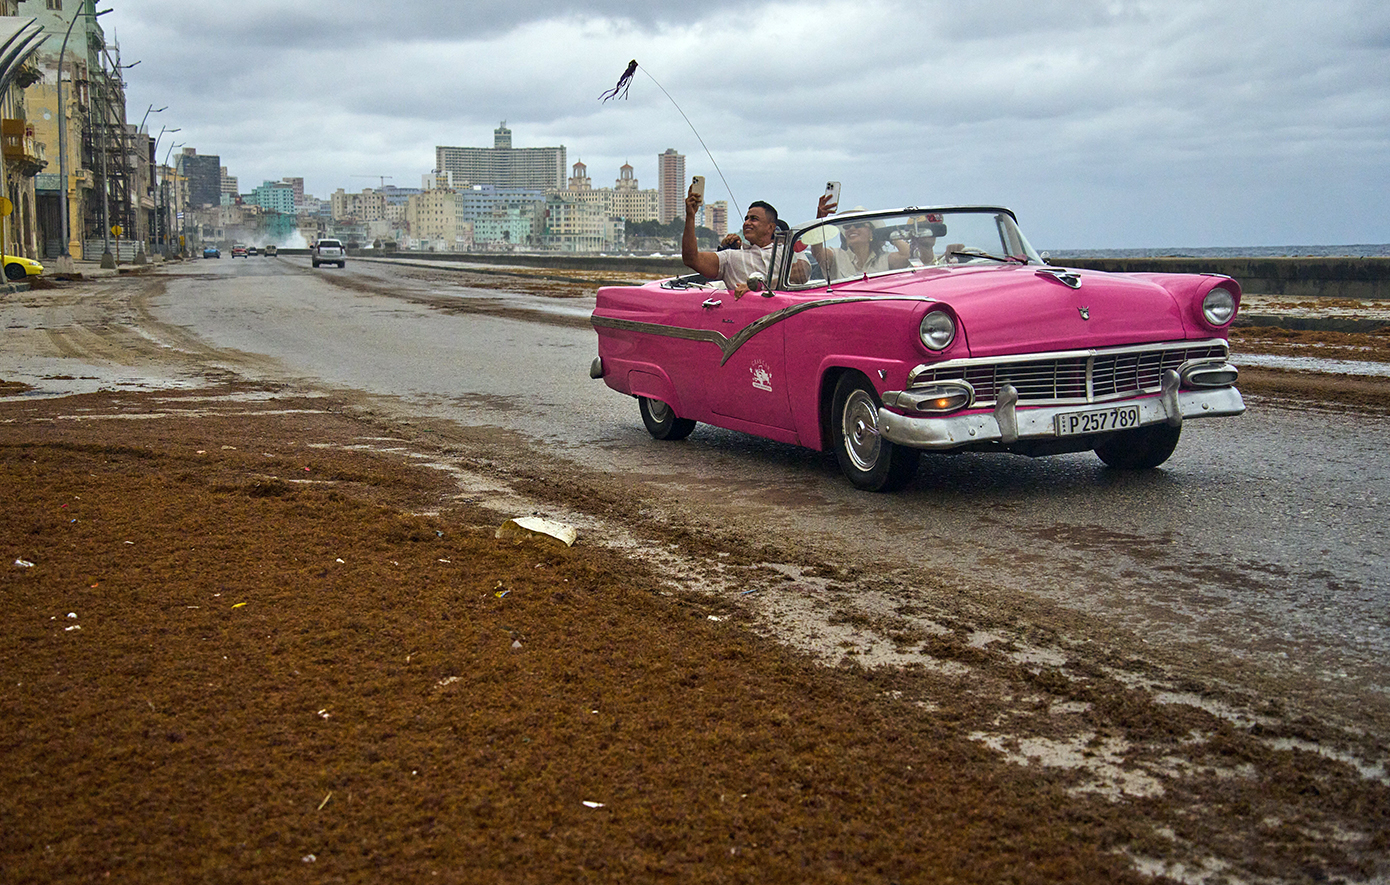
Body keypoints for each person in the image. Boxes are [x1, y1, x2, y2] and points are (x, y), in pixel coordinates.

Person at [682, 187, 779, 297]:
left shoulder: (786, 253)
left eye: (754, 219)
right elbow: (691, 259)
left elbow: (799, 277)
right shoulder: (731, 257)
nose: (747, 223)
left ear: (770, 227)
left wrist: (758, 286)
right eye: (746, 218)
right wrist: (690, 216)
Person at [807, 193, 909, 281]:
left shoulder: (885, 259)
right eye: (847, 226)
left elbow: (907, 256)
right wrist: (820, 218)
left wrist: (888, 234)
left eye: (858, 225)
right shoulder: (835, 256)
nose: (851, 228)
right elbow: (818, 252)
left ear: (871, 232)